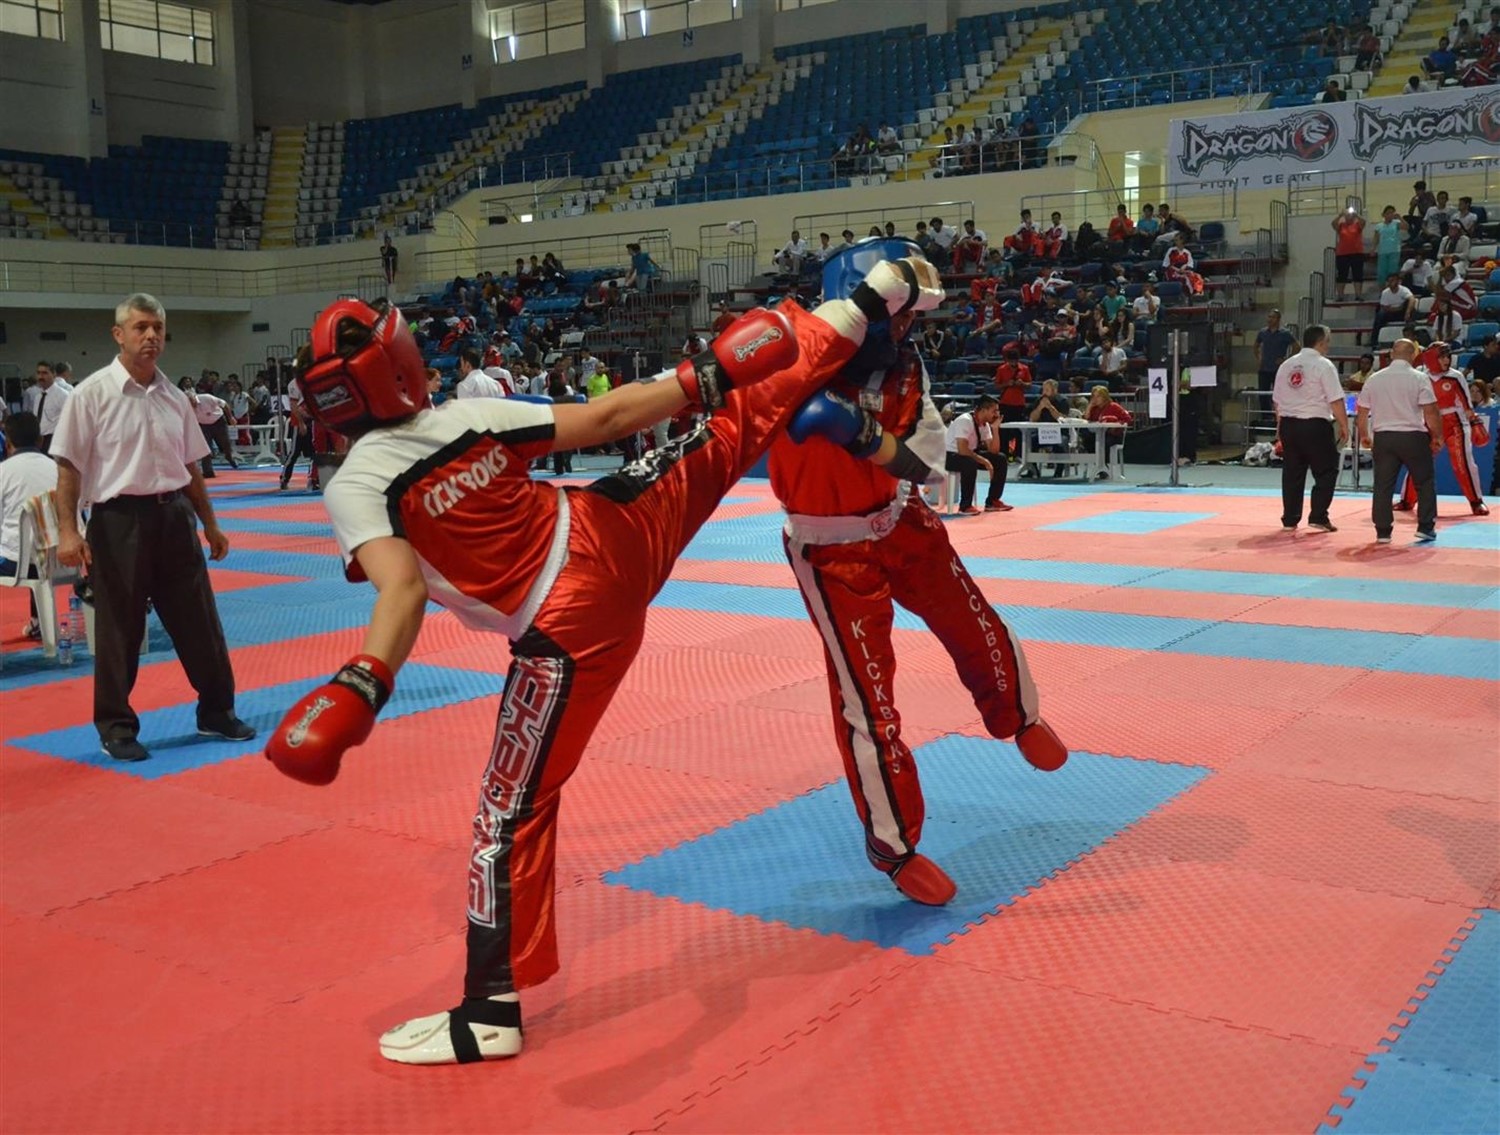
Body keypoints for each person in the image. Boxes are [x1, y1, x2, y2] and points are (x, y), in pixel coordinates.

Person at [263, 266, 931, 1066]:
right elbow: (611, 414)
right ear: (397, 362)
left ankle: (487, 1011)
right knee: (735, 422)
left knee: (507, 814)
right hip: (617, 524)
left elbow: (401, 589)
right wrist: (705, 373)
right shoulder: (467, 415)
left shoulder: (359, 481)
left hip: (568, 628)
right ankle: (868, 295)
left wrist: (363, 681)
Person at [766, 239, 1067, 909]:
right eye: (899, 314)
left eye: (911, 319)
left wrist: (862, 438)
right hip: (832, 547)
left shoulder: (909, 366)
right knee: (868, 700)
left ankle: (1017, 714)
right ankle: (896, 847)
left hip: (902, 519)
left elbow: (928, 465)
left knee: (972, 618)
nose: (906, 330)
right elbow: (751, 397)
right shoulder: (790, 350)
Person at [50, 293, 254, 764]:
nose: (151, 336)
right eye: (140, 327)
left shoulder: (174, 397)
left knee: (200, 621)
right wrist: (68, 532)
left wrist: (211, 524)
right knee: (120, 629)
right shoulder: (92, 394)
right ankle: (116, 725)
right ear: (118, 334)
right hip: (118, 520)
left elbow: (192, 467)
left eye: (158, 328)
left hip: (175, 516)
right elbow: (68, 469)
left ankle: (216, 711)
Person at [1358, 339, 1442, 544]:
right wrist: (1438, 435)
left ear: (1392, 354)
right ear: (1413, 355)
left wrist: (1364, 435)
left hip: (1384, 437)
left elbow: (1362, 412)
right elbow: (1431, 411)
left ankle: (1383, 531)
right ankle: (1425, 527)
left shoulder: (1375, 379)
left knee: (1383, 485)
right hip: (1413, 436)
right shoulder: (1419, 378)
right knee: (1424, 482)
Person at [1397, 344, 1489, 517]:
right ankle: (1407, 500)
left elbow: (1466, 403)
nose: (1447, 360)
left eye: (1448, 356)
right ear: (1432, 359)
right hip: (1429, 422)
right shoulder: (1420, 377)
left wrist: (1474, 421)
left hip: (1454, 423)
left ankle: (1476, 501)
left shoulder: (1456, 377)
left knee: (1464, 463)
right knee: (1418, 462)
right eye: (1443, 357)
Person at [1273, 324, 1349, 533]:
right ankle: (1318, 516)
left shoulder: (1287, 365)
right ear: (1322, 341)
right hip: (1314, 424)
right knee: (1326, 470)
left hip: (1289, 424)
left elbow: (1277, 401)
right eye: (1328, 341)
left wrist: (1280, 428)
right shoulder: (1323, 365)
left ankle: (1290, 519)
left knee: (1292, 473)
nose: (1329, 346)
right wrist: (1344, 425)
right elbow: (1335, 399)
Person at [0, 412, 58, 639]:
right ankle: (37, 621)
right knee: (37, 540)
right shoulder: (59, 469)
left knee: (19, 546)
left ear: (8, 442)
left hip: (15, 563)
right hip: (60, 558)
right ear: (41, 439)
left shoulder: (3, 472)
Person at [944, 395, 1009, 513]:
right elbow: (962, 449)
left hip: (968, 453)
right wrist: (984, 461)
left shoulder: (985, 425)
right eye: (994, 411)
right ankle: (965, 506)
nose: (996, 414)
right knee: (969, 462)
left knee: (1000, 459)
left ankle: (992, 501)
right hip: (950, 456)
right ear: (983, 410)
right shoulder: (965, 420)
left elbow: (993, 451)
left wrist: (995, 429)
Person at [179, 378, 239, 477]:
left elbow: (224, 404)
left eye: (191, 400)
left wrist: (231, 417)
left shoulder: (206, 397)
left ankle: (229, 457)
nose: (191, 403)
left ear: (194, 397)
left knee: (225, 444)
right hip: (203, 425)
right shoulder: (186, 408)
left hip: (218, 421)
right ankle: (208, 471)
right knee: (205, 447)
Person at [24, 360, 72, 454]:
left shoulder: (63, 395)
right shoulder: (38, 396)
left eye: (45, 373)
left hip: (54, 440)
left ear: (54, 374)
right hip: (39, 440)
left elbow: (71, 420)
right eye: (38, 373)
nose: (41, 376)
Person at [1084, 384, 1130, 478]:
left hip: (1113, 435)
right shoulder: (1094, 408)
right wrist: (1089, 406)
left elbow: (1127, 419)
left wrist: (1117, 423)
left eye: (1098, 396)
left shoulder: (1114, 406)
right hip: (1097, 433)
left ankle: (1102, 467)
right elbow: (1086, 418)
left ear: (1104, 397)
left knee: (1103, 442)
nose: (1095, 399)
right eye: (1093, 396)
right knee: (1087, 440)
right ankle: (1098, 464)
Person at [1254, 310, 1296, 393]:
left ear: (1278, 319)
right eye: (1269, 317)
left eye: (1273, 317)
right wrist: (1259, 358)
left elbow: (1296, 347)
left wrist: (1286, 360)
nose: (1270, 319)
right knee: (1263, 395)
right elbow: (1256, 345)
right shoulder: (1262, 332)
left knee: (1279, 394)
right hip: (1264, 369)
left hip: (1278, 369)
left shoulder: (1285, 333)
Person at [1371, 273, 1416, 349]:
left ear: (1398, 281)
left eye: (1393, 280)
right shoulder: (1385, 293)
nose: (1391, 282)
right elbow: (1384, 307)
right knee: (1380, 315)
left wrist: (1407, 312)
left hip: (1403, 313)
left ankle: (1412, 338)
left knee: (1410, 309)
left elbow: (1412, 299)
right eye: (1389, 281)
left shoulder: (1403, 290)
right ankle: (1374, 341)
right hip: (1391, 313)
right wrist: (1398, 308)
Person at [1331, 207, 1367, 300]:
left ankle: (1358, 295)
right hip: (1342, 254)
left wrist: (1356, 214)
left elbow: (1364, 222)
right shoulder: (1341, 225)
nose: (1349, 216)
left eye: (1350, 215)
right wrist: (1340, 215)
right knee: (1342, 275)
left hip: (1357, 253)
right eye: (1347, 215)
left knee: (1357, 274)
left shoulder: (1357, 224)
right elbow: (1333, 224)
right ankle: (1340, 295)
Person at [1371, 206, 1407, 284]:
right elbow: (1376, 238)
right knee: (1381, 273)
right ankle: (1382, 292)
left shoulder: (1396, 223)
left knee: (1392, 272)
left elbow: (1406, 227)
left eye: (1391, 213)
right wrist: (1373, 249)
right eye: (1388, 213)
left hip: (1394, 250)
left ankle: (1393, 289)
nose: (1390, 215)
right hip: (1382, 251)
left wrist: (1400, 218)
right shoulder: (1379, 226)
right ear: (1383, 215)